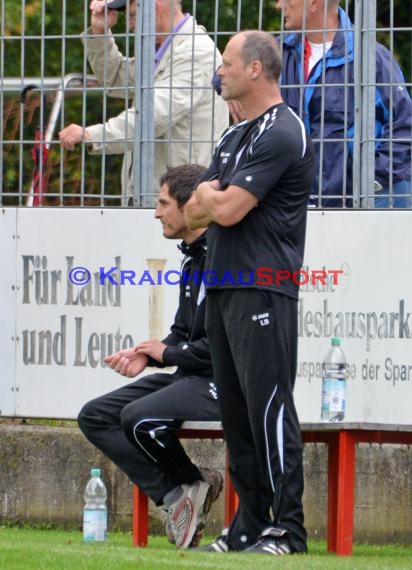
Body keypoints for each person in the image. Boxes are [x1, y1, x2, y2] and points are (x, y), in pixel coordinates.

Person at [185, 31, 314, 555]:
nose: (220, 71)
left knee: (269, 410)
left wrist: (212, 196)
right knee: (236, 416)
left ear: (256, 70)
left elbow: (229, 208)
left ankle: (289, 529)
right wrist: (209, 196)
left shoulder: (283, 131)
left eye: (227, 62)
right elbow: (193, 213)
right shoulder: (232, 134)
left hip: (264, 288)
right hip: (222, 285)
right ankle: (248, 526)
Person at [77, 163, 223, 549]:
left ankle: (193, 487)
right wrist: (149, 355)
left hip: (222, 382)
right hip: (191, 375)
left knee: (139, 417)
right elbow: (182, 333)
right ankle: (180, 496)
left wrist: (169, 352)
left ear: (190, 205)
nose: (156, 212)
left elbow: (223, 346)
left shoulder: (225, 259)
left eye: (162, 203)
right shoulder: (192, 258)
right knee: (95, 415)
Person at [59, 0, 228, 204]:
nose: (129, 25)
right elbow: (115, 78)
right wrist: (99, 32)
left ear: (154, 9)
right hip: (162, 197)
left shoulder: (194, 54)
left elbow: (151, 117)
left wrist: (90, 135)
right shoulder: (164, 50)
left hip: (182, 202)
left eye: (131, 16)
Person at [275, 0, 412, 207]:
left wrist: (372, 179)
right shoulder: (276, 54)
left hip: (362, 205)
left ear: (313, 3)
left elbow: (404, 125)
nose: (279, 5)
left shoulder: (370, 56)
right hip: (296, 205)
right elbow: (228, 74)